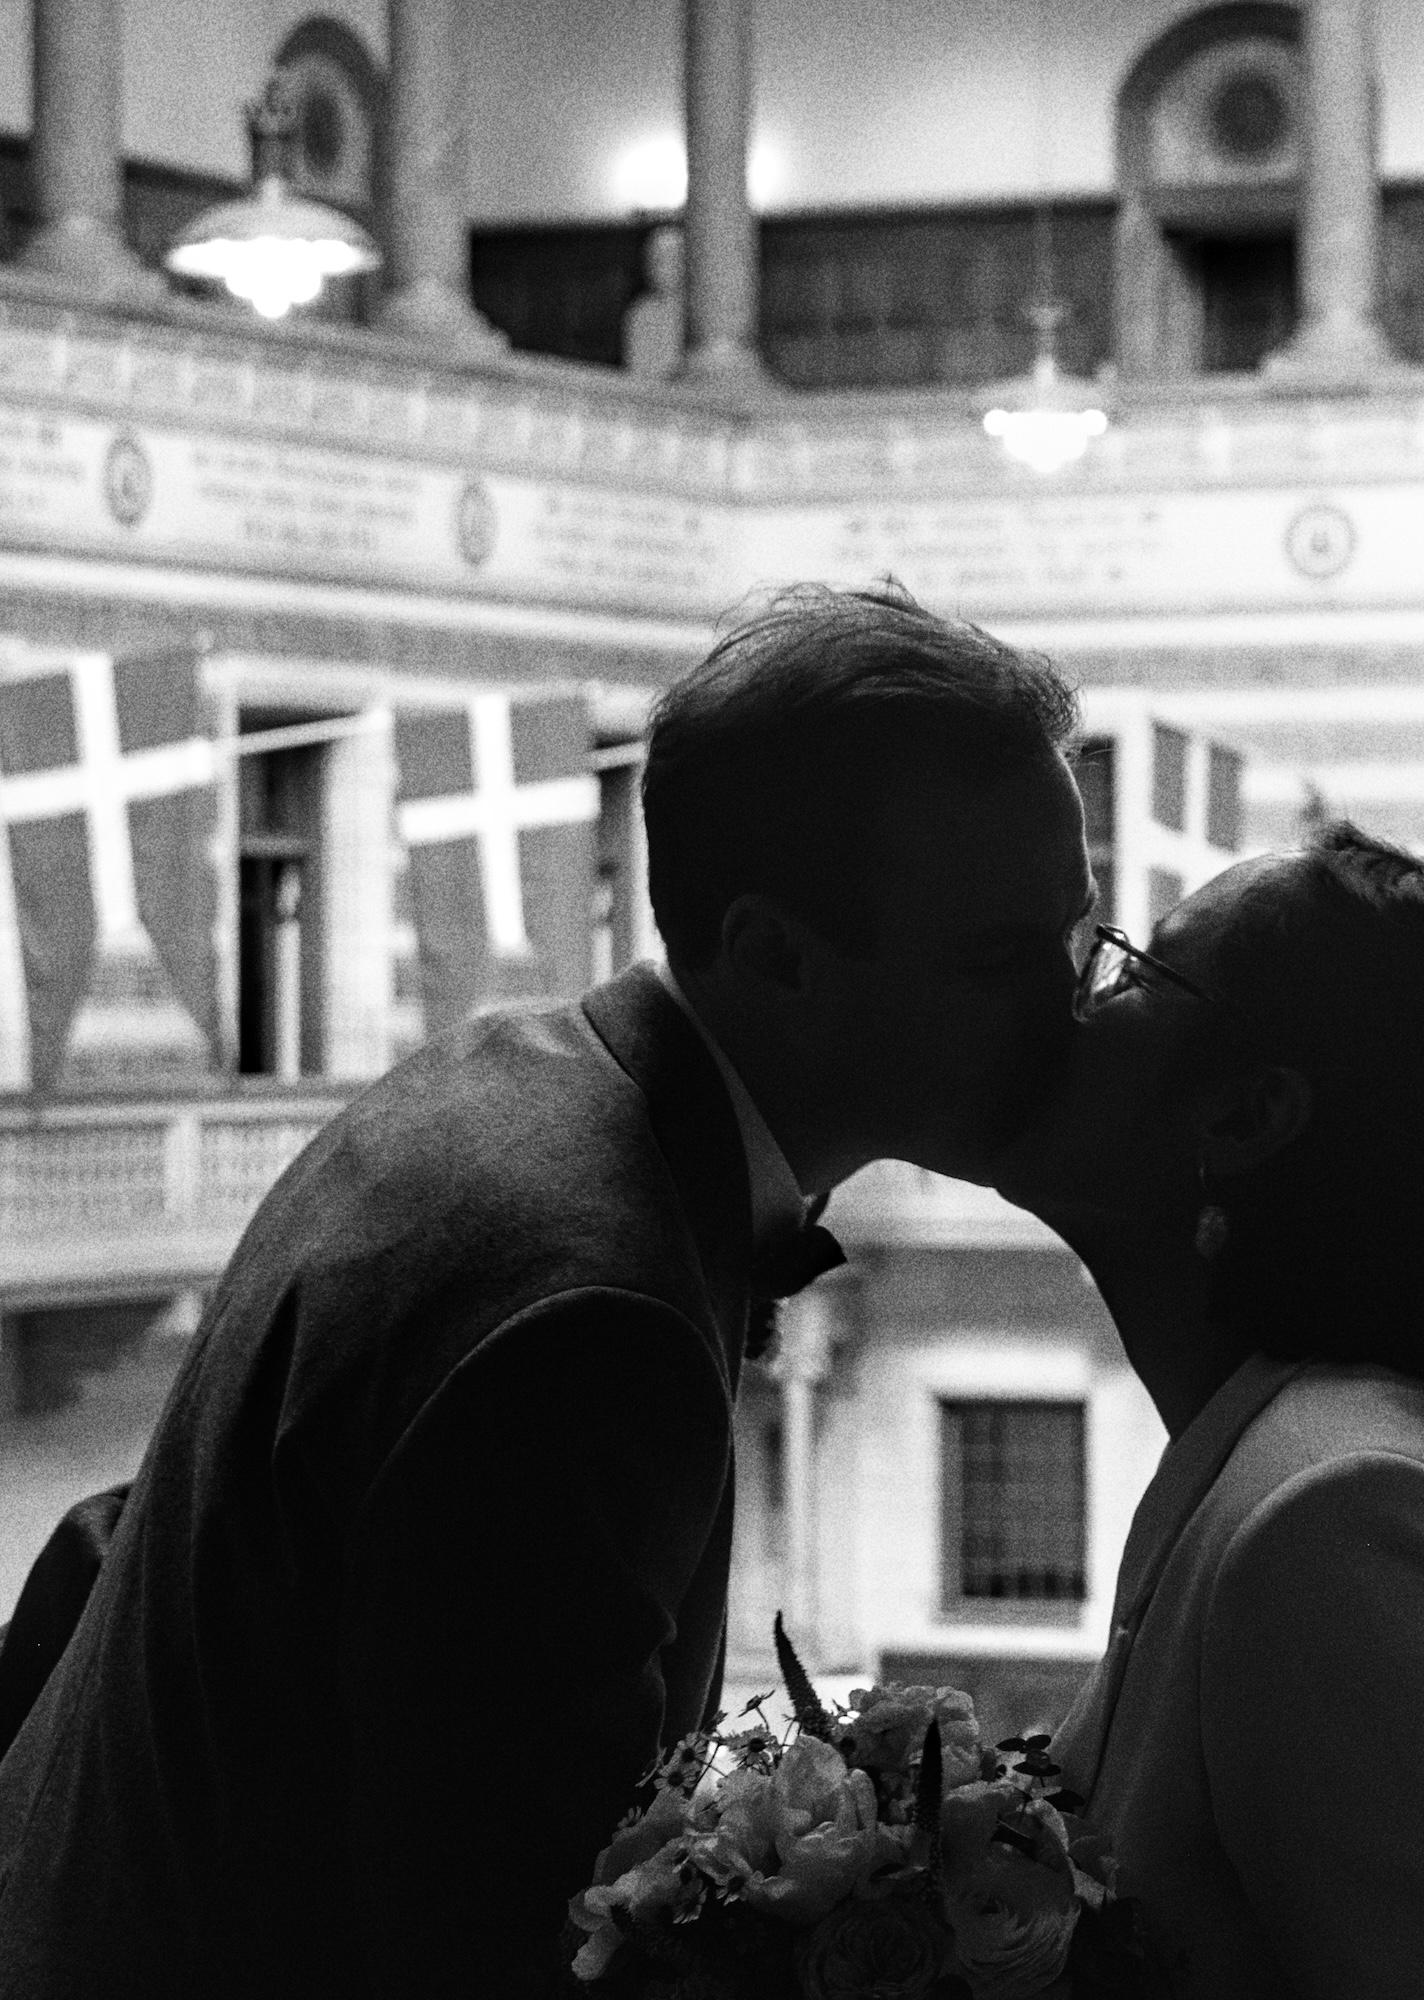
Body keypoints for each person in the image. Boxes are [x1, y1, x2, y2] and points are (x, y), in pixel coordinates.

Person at [0, 582, 1092, 2000]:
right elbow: (510, 1941)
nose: (1069, 1011)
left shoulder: (506, 1087)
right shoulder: (593, 1311)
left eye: (1077, 941)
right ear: (771, 953)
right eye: (1003, 960)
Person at [998, 821, 1424, 1999]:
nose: (1074, 1000)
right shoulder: (1306, 1465)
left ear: (1248, 1113)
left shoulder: (1343, 1508)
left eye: (1132, 971)